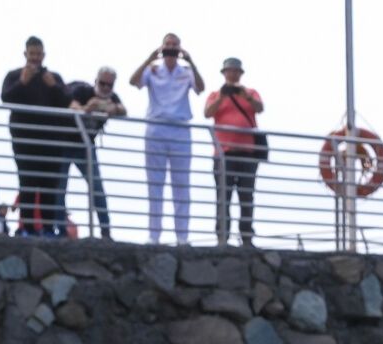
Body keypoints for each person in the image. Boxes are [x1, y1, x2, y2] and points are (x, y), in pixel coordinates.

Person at [129, 33, 203, 245]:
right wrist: (149, 58)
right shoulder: (152, 70)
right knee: (155, 183)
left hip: (180, 130)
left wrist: (191, 61)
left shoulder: (186, 71)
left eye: (174, 46)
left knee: (181, 183)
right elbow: (133, 82)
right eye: (167, 45)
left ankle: (182, 236)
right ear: (162, 48)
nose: (171, 49)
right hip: (156, 128)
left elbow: (200, 88)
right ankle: (154, 235)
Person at [1, 36, 72, 237]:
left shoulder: (53, 77)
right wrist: (23, 82)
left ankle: (49, 228)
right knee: (28, 184)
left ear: (43, 55)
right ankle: (29, 228)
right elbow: (6, 97)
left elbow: (67, 101)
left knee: (50, 184)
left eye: (38, 54)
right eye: (31, 54)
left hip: (52, 142)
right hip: (25, 141)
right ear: (25, 54)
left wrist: (53, 86)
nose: (35, 58)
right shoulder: (14, 75)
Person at [203, 57, 265, 248]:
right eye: (229, 71)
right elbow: (207, 113)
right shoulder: (215, 94)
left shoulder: (251, 92)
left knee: (247, 196)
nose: (233, 74)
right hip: (224, 154)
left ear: (240, 74)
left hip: (248, 153)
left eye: (236, 71)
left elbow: (259, 108)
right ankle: (223, 237)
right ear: (224, 73)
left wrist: (244, 94)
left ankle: (247, 237)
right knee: (224, 196)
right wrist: (223, 96)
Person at [67, 68, 127, 241]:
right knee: (59, 185)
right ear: (96, 81)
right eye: (102, 83)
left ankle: (105, 231)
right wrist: (88, 108)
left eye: (110, 85)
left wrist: (113, 109)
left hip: (86, 147)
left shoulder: (111, 98)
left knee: (97, 187)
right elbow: (72, 105)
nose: (106, 88)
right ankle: (59, 227)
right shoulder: (82, 90)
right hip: (65, 141)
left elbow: (123, 109)